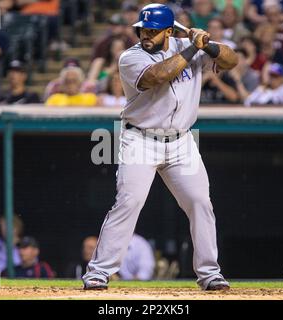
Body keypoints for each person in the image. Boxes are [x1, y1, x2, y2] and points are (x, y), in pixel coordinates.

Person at [82, 3, 238, 291]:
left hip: (182, 142)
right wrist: (193, 49)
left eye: (153, 31)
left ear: (168, 31)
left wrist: (210, 45)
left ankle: (209, 273)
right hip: (140, 139)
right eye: (143, 30)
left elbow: (232, 61)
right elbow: (157, 76)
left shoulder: (189, 44)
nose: (146, 35)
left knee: (200, 202)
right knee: (129, 202)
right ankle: (99, 272)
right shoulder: (131, 57)